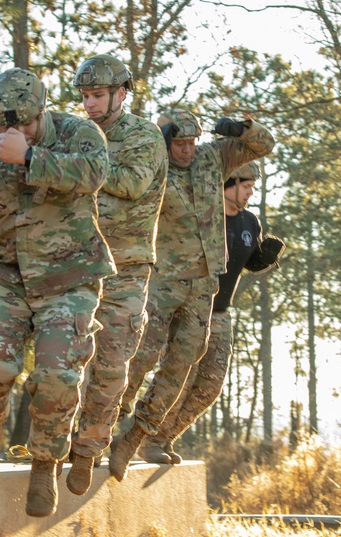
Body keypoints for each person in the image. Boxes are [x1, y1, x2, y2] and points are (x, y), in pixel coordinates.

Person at [0, 67, 113, 518]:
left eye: (25, 124)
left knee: (56, 377)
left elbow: (94, 173)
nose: (14, 132)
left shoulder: (78, 132)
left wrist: (31, 156)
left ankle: (43, 463)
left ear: (42, 111)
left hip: (69, 275)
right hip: (8, 274)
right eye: (5, 126)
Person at [110, 108, 275, 479]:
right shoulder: (152, 166)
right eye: (178, 143)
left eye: (191, 142)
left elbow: (264, 144)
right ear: (165, 139)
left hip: (204, 285)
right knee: (138, 358)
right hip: (163, 281)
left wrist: (243, 129)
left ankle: (136, 436)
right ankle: (98, 430)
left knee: (183, 363)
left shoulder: (212, 160)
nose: (186, 150)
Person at [65, 54, 167, 495]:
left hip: (126, 268)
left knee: (110, 364)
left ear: (121, 94)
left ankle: (88, 448)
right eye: (85, 97)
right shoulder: (73, 134)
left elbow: (131, 183)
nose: (89, 104)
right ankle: (54, 443)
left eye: (98, 96)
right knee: (62, 361)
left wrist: (76, 164)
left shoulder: (144, 135)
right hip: (76, 263)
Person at [140, 161, 285, 461]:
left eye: (252, 189)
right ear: (229, 183)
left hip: (221, 314)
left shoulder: (250, 222)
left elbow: (247, 261)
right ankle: (148, 439)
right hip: (190, 308)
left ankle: (163, 437)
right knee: (180, 379)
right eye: (246, 188)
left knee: (210, 386)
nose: (249, 194)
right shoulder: (203, 214)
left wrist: (267, 256)